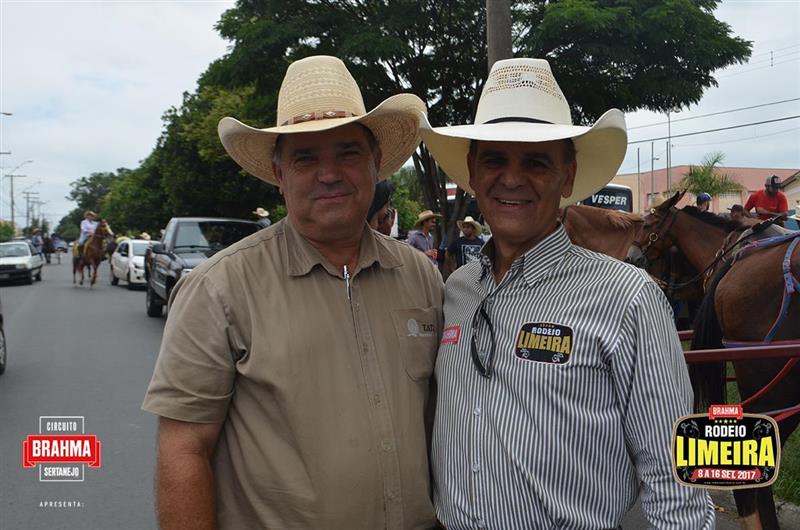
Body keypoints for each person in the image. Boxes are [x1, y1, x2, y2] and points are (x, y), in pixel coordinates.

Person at [142, 55, 442, 530]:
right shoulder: (218, 287)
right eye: (306, 158)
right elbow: (185, 448)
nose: (330, 173)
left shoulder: (420, 275)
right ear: (279, 174)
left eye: (347, 153)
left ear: (375, 165)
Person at [419, 57, 714, 529]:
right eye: (494, 159)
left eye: (536, 162)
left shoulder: (626, 297)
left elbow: (675, 480)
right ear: (472, 171)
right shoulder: (458, 289)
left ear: (568, 176)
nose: (511, 178)